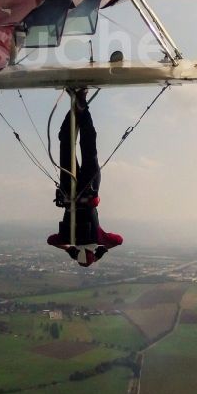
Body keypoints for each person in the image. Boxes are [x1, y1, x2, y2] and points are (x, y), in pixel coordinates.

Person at [47, 88, 123, 266]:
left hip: (89, 189)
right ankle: (79, 103)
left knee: (88, 147)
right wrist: (71, 249)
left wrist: (101, 251)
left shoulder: (98, 237)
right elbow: (51, 240)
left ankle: (80, 103)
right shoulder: (67, 237)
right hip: (69, 192)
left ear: (91, 250)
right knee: (67, 145)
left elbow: (119, 240)